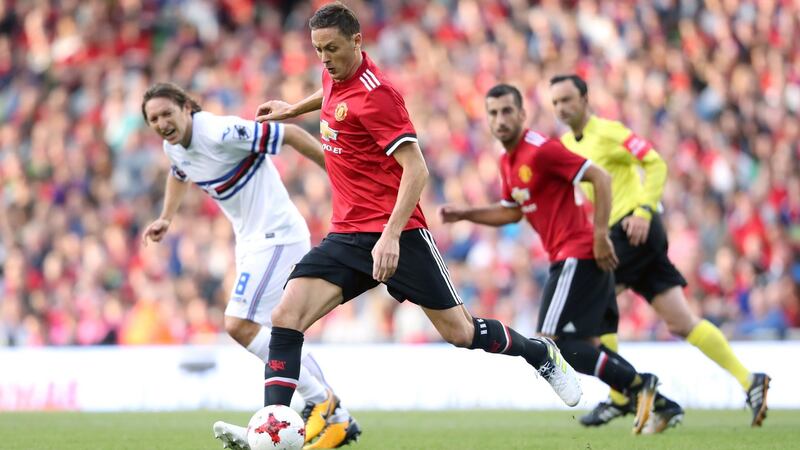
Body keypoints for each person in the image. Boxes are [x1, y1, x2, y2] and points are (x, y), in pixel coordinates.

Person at [254, 4, 582, 446]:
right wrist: (294, 109)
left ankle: (539, 354)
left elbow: (418, 169)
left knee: (461, 333)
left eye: (331, 48)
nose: (324, 58)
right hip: (347, 234)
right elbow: (332, 96)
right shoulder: (334, 72)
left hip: (400, 235)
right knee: (285, 316)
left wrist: (390, 236)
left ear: (357, 42)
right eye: (317, 50)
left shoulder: (379, 96)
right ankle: (273, 427)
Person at [439, 83, 681, 434]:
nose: (500, 119)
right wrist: (467, 214)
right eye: (493, 113)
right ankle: (656, 399)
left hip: (577, 253)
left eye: (507, 111)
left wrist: (599, 235)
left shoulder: (540, 149)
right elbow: (512, 212)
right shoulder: (508, 161)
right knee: (581, 345)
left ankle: (639, 385)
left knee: (553, 343)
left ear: (523, 114)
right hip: (571, 255)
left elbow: (599, 176)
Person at [140, 82, 358, 450]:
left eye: (167, 113)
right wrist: (166, 217)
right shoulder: (173, 147)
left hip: (277, 236)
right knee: (280, 333)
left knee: (240, 324)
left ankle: (322, 399)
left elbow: (288, 133)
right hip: (253, 242)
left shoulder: (219, 131)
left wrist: (339, 175)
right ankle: (337, 419)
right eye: (153, 119)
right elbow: (178, 173)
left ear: (186, 108)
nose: (162, 122)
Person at [548, 74, 771, 428]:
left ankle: (622, 395)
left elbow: (655, 162)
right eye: (556, 102)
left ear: (585, 98)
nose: (561, 107)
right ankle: (749, 380)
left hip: (633, 228)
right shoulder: (563, 145)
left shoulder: (609, 132)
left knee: (594, 303)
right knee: (680, 321)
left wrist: (644, 209)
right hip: (629, 237)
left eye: (567, 99)